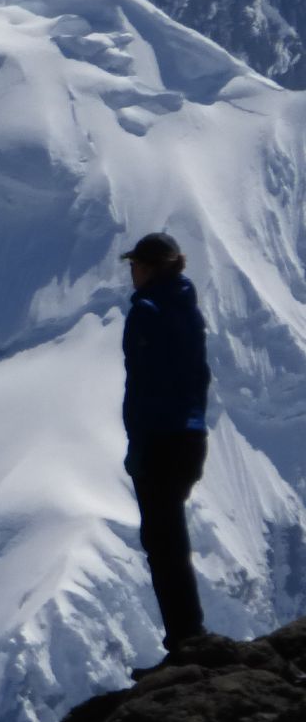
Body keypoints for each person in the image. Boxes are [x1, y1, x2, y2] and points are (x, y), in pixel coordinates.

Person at [121, 232, 211, 653]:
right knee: (170, 539)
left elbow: (145, 383)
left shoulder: (148, 312)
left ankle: (185, 639)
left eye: (135, 264)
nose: (131, 271)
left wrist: (140, 439)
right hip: (190, 436)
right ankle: (187, 635)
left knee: (163, 543)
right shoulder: (186, 309)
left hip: (159, 440)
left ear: (152, 267)